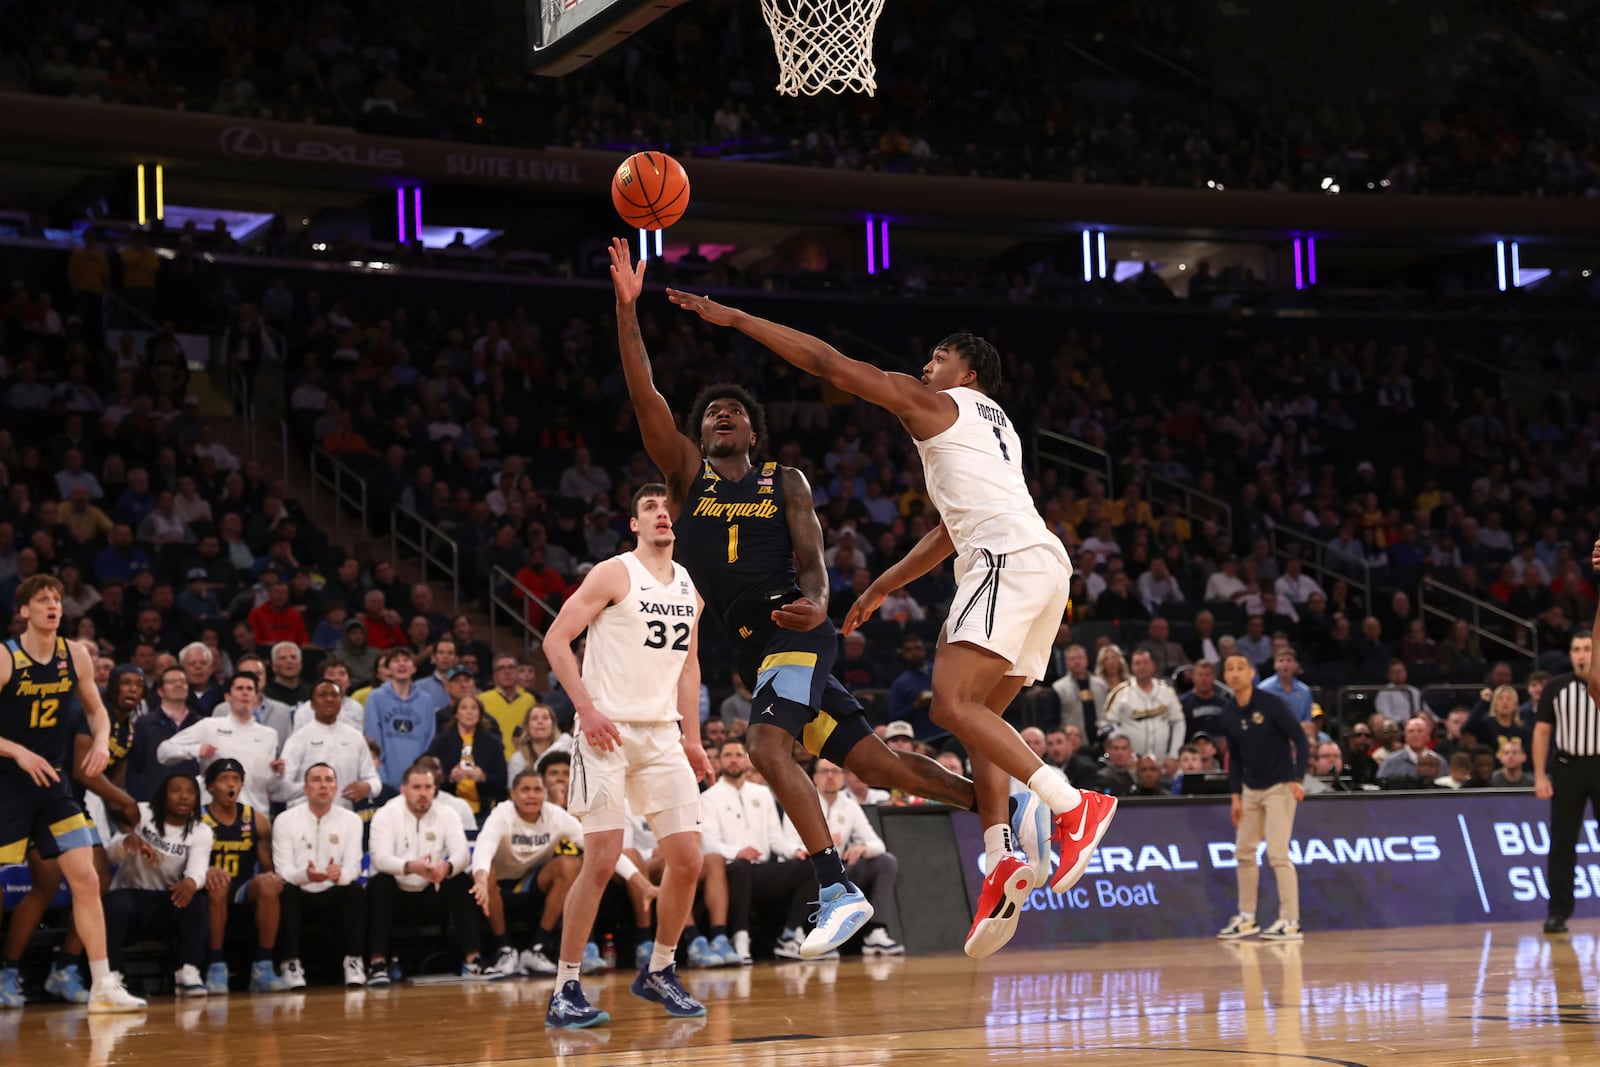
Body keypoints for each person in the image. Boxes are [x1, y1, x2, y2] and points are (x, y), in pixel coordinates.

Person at [665, 266, 1116, 959]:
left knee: (949, 703)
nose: (923, 366)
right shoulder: (997, 432)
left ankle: (1067, 802)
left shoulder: (936, 403)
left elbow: (828, 363)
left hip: (1004, 561)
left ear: (967, 370)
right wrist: (880, 586)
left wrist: (738, 320)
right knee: (980, 719)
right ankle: (1000, 853)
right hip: (1037, 561)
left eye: (938, 357)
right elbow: (948, 529)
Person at [607, 241, 980, 962]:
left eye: (733, 414)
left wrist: (816, 603)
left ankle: (837, 886)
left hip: (799, 636)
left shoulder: (785, 481)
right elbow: (643, 393)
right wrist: (628, 311)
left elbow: (814, 567)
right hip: (754, 651)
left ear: (754, 432)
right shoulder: (686, 477)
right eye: (712, 412)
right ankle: (1002, 805)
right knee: (879, 766)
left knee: (765, 745)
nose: (721, 417)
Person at [542, 484, 716, 1028]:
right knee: (601, 859)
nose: (662, 514)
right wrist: (587, 710)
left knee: (689, 859)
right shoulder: (613, 573)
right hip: (605, 731)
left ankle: (660, 969)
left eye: (668, 508)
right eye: (650, 508)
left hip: (663, 734)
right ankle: (565, 986)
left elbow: (689, 667)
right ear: (635, 524)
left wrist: (692, 738)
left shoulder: (691, 587)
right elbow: (555, 640)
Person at [0, 575, 146, 1011]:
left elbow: (97, 712)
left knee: (86, 877)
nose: (53, 606)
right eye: (42, 600)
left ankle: (103, 985)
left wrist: (101, 742)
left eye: (58, 600)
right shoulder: (6, 658)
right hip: (7, 782)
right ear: (24, 611)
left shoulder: (75, 653)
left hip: (52, 784)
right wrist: (18, 752)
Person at [365, 763, 496, 984]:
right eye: (416, 787)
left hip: (433, 889)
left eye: (428, 787)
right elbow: (379, 857)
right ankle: (377, 963)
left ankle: (473, 960)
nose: (423, 793)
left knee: (460, 879)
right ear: (404, 789)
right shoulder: (386, 814)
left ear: (435, 789)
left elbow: (462, 853)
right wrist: (410, 866)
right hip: (397, 892)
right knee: (380, 882)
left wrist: (447, 867)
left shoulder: (448, 813)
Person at [1216, 654, 1309, 942]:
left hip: (1279, 787)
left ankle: (1290, 921)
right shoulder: (1228, 713)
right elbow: (1234, 759)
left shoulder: (1271, 704)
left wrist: (1298, 778)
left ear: (1252, 673)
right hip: (1249, 790)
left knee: (1278, 854)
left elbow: (1301, 739)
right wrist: (1235, 796)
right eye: (1229, 669)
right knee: (1244, 852)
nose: (1234, 673)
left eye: (1240, 668)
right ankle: (1246, 918)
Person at [469, 771, 588, 978]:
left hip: (532, 885)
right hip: (495, 888)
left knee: (570, 865)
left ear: (544, 794)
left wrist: (640, 883)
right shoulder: (501, 814)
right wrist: (479, 879)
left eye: (537, 790)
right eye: (525, 789)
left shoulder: (556, 816)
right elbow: (484, 847)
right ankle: (504, 950)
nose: (531, 795)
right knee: (485, 871)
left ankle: (537, 949)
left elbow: (597, 850)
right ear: (512, 793)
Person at [104, 771, 212, 997]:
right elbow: (110, 854)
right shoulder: (142, 813)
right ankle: (111, 975)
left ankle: (188, 972)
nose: (184, 797)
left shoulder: (201, 831)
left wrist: (191, 882)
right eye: (176, 791)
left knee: (198, 902)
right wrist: (126, 842)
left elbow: (198, 868)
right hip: (131, 894)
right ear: (163, 795)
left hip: (167, 899)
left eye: (190, 792)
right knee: (115, 903)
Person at [271, 761, 367, 988]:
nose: (323, 785)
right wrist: (306, 875)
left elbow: (354, 868)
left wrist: (339, 875)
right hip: (300, 889)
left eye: (329, 780)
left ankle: (354, 961)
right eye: (316, 780)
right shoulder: (285, 820)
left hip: (333, 890)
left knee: (354, 890)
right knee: (286, 891)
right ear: (305, 789)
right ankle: (290, 963)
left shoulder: (351, 821)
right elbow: (282, 869)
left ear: (335, 788)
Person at [199, 759, 290, 994]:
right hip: (205, 885)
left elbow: (268, 865)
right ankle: (216, 966)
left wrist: (273, 878)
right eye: (224, 779)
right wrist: (205, 870)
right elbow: (186, 863)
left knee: (268, 885)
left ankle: (264, 966)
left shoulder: (255, 819)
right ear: (210, 787)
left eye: (236, 779)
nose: (231, 784)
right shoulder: (198, 819)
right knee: (218, 885)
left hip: (242, 887)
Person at [1534, 618, 1600, 935]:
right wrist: (1539, 775)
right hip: (1568, 767)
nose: (1581, 655)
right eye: (1576, 649)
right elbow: (1542, 732)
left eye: (1587, 648)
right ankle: (1558, 912)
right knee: (1562, 843)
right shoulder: (1556, 687)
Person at [158, 673, 287, 812]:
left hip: (254, 813)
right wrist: (195, 750)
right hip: (212, 813)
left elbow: (271, 788)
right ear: (227, 697)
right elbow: (163, 752)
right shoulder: (209, 726)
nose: (245, 693)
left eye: (249, 689)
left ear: (256, 696)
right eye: (239, 688)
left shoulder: (269, 735)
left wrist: (277, 774)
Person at [280, 679, 381, 810]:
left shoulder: (355, 738)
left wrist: (368, 787)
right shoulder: (299, 739)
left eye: (334, 695)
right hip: (304, 815)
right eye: (322, 695)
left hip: (344, 815)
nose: (329, 699)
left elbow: (373, 779)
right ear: (312, 704)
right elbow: (283, 785)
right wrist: (312, 789)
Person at [1101, 650, 1186, 776]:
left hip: (1162, 763)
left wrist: (1174, 755)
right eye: (1137, 663)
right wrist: (1125, 754)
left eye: (1145, 663)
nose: (1141, 667)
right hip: (1130, 766)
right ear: (1132, 667)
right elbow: (1108, 725)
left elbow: (1179, 721)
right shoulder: (1120, 693)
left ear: (1153, 666)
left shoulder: (1167, 691)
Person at [428, 692, 508, 824]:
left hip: (484, 812)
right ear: (456, 713)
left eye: (474, 708)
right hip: (448, 811)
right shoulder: (441, 742)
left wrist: (483, 777)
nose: (469, 712)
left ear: (480, 714)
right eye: (464, 708)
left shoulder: (492, 744)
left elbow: (502, 780)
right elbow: (429, 776)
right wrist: (451, 778)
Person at [364, 649, 436, 792]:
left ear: (414, 667)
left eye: (406, 660)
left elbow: (429, 740)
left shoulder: (426, 700)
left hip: (417, 779)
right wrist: (381, 776)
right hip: (385, 777)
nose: (401, 664)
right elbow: (373, 740)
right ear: (389, 668)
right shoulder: (376, 697)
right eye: (396, 661)